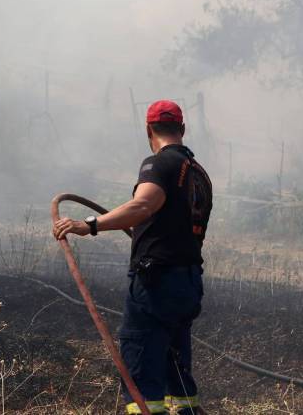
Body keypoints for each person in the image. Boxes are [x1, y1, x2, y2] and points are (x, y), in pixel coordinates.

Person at [52, 100, 212, 414]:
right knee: (176, 369)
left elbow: (142, 206)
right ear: (182, 129)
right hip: (188, 282)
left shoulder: (159, 164)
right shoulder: (199, 173)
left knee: (142, 372)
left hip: (157, 284)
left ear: (149, 129)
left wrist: (89, 225)